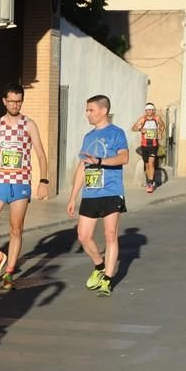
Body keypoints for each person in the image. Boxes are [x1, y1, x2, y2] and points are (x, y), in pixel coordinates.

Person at [0, 83, 49, 291]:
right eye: (11, 101)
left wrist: (43, 181)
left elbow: (40, 154)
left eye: (18, 101)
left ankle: (9, 272)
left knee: (15, 228)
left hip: (20, 183)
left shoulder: (29, 125)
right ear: (4, 101)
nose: (15, 105)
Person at [66, 95, 129, 297]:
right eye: (87, 110)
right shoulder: (88, 137)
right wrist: (73, 196)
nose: (87, 114)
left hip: (111, 191)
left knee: (110, 235)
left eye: (90, 110)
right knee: (83, 235)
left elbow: (124, 157)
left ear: (103, 111)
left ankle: (108, 280)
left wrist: (101, 161)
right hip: (90, 193)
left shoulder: (116, 133)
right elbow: (82, 167)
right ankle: (99, 265)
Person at [131, 102, 165, 193]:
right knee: (146, 165)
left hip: (153, 145)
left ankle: (150, 183)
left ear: (153, 110)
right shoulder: (143, 119)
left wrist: (160, 133)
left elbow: (162, 126)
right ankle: (149, 181)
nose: (149, 111)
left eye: (151, 109)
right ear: (146, 110)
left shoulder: (157, 118)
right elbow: (133, 128)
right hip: (144, 145)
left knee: (151, 163)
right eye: (148, 110)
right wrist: (140, 129)